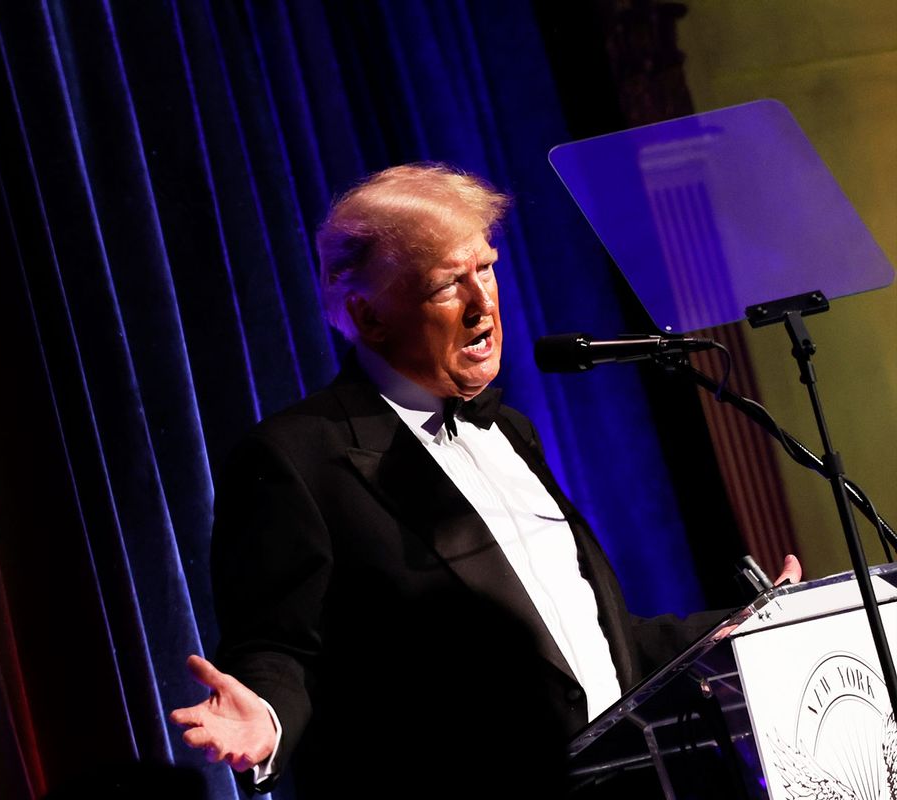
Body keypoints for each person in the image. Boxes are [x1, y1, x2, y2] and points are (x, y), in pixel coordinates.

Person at [170, 163, 801, 797]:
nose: (484, 303)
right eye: (447, 284)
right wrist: (268, 718)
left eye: (487, 268)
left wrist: (738, 632)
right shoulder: (298, 458)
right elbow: (281, 649)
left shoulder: (514, 432)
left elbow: (585, 648)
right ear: (368, 315)